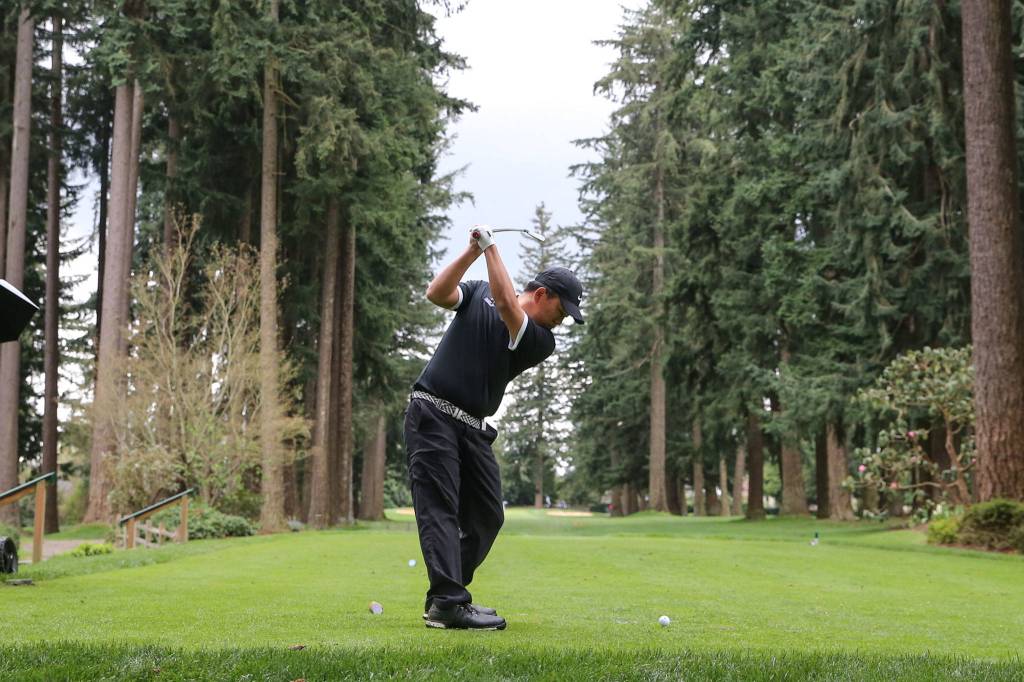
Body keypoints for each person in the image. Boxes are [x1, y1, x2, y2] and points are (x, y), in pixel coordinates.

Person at [406, 225, 583, 631]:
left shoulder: (539, 339)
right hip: (431, 413)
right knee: (440, 509)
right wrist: (472, 252)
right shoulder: (479, 289)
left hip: (472, 427)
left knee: (488, 515)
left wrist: (491, 246)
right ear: (542, 295)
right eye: (561, 312)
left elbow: (507, 305)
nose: (561, 322)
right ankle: (449, 602)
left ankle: (443, 597)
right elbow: (437, 293)